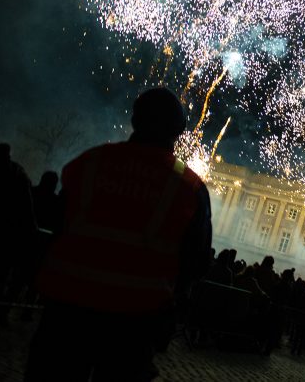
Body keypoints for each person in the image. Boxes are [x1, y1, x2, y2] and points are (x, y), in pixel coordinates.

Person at [25, 88, 212, 382]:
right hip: (134, 321)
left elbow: (55, 222)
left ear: (135, 119)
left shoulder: (91, 161)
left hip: (67, 309)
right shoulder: (189, 188)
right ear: (178, 132)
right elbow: (196, 261)